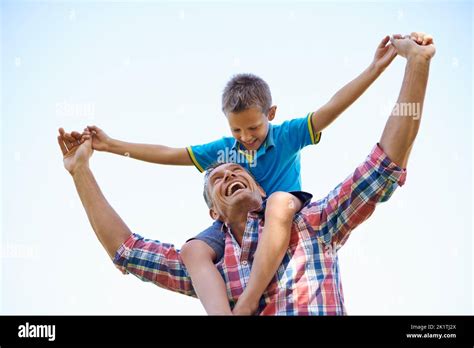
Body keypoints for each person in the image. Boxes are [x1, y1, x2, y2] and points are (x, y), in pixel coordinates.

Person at [58, 33, 435, 315]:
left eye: (238, 170)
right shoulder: (215, 267)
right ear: (214, 213)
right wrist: (85, 166)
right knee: (192, 249)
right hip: (236, 243)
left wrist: (412, 65)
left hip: (288, 212)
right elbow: (128, 250)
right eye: (216, 178)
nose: (231, 167)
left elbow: (383, 164)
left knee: (282, 204)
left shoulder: (314, 223)